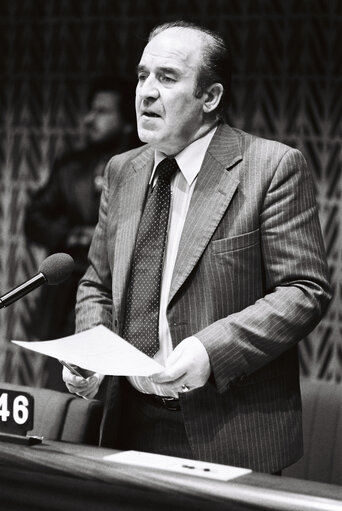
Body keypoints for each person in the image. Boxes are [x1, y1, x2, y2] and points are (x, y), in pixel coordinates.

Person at [63, 21, 331, 473]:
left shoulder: (271, 168)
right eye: (142, 75)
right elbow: (97, 284)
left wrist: (212, 349)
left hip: (227, 431)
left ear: (211, 97)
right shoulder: (122, 171)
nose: (146, 92)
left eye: (167, 78)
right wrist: (91, 351)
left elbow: (305, 291)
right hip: (127, 423)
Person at [25, 76, 137, 390]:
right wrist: (73, 234)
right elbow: (34, 219)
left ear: (127, 120)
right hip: (66, 292)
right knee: (59, 386)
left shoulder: (145, 166)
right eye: (91, 109)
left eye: (102, 111)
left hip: (120, 296)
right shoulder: (71, 166)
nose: (90, 119)